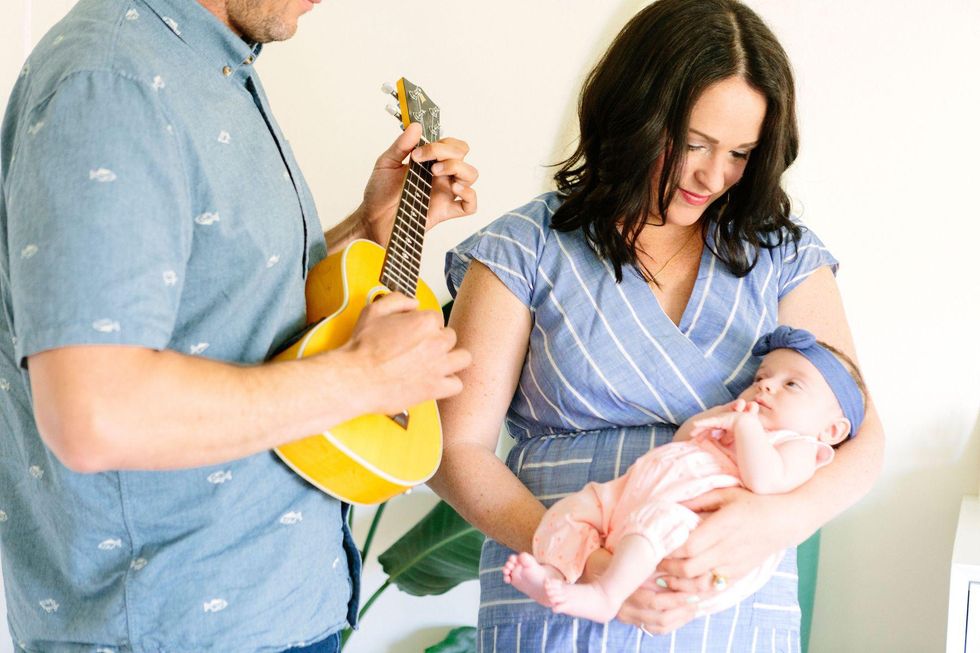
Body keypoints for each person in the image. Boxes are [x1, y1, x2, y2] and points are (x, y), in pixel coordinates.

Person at [0, 1, 477, 651]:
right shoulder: (112, 82)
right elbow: (94, 411)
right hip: (182, 630)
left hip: (273, 609)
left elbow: (230, 303)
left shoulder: (204, 64)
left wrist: (366, 227)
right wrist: (362, 376)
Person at [427, 0, 883, 650]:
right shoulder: (525, 246)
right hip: (563, 600)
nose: (712, 175)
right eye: (693, 143)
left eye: (739, 153)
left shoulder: (784, 256)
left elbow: (862, 436)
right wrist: (580, 552)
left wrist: (776, 520)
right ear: (631, 115)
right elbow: (455, 449)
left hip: (728, 609)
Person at [502, 326, 866, 625]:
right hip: (633, 495)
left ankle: (606, 594)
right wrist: (721, 415)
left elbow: (766, 481)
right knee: (574, 508)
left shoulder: (800, 446)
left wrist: (745, 428)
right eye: (761, 378)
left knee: (659, 520)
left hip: (689, 524)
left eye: (792, 385)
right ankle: (556, 572)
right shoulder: (738, 419)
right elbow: (684, 437)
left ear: (832, 430)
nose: (765, 386)